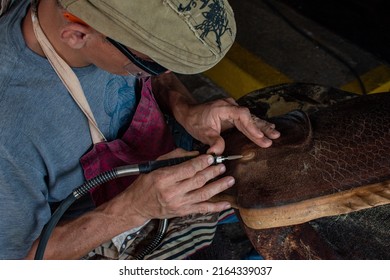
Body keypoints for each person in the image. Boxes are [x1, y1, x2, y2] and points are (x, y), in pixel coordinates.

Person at [0, 0, 280, 260]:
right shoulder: (11, 133)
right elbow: (17, 263)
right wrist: (132, 209)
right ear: (77, 34)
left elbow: (154, 72)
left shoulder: (92, 28)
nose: (166, 73)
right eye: (151, 64)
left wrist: (184, 107)